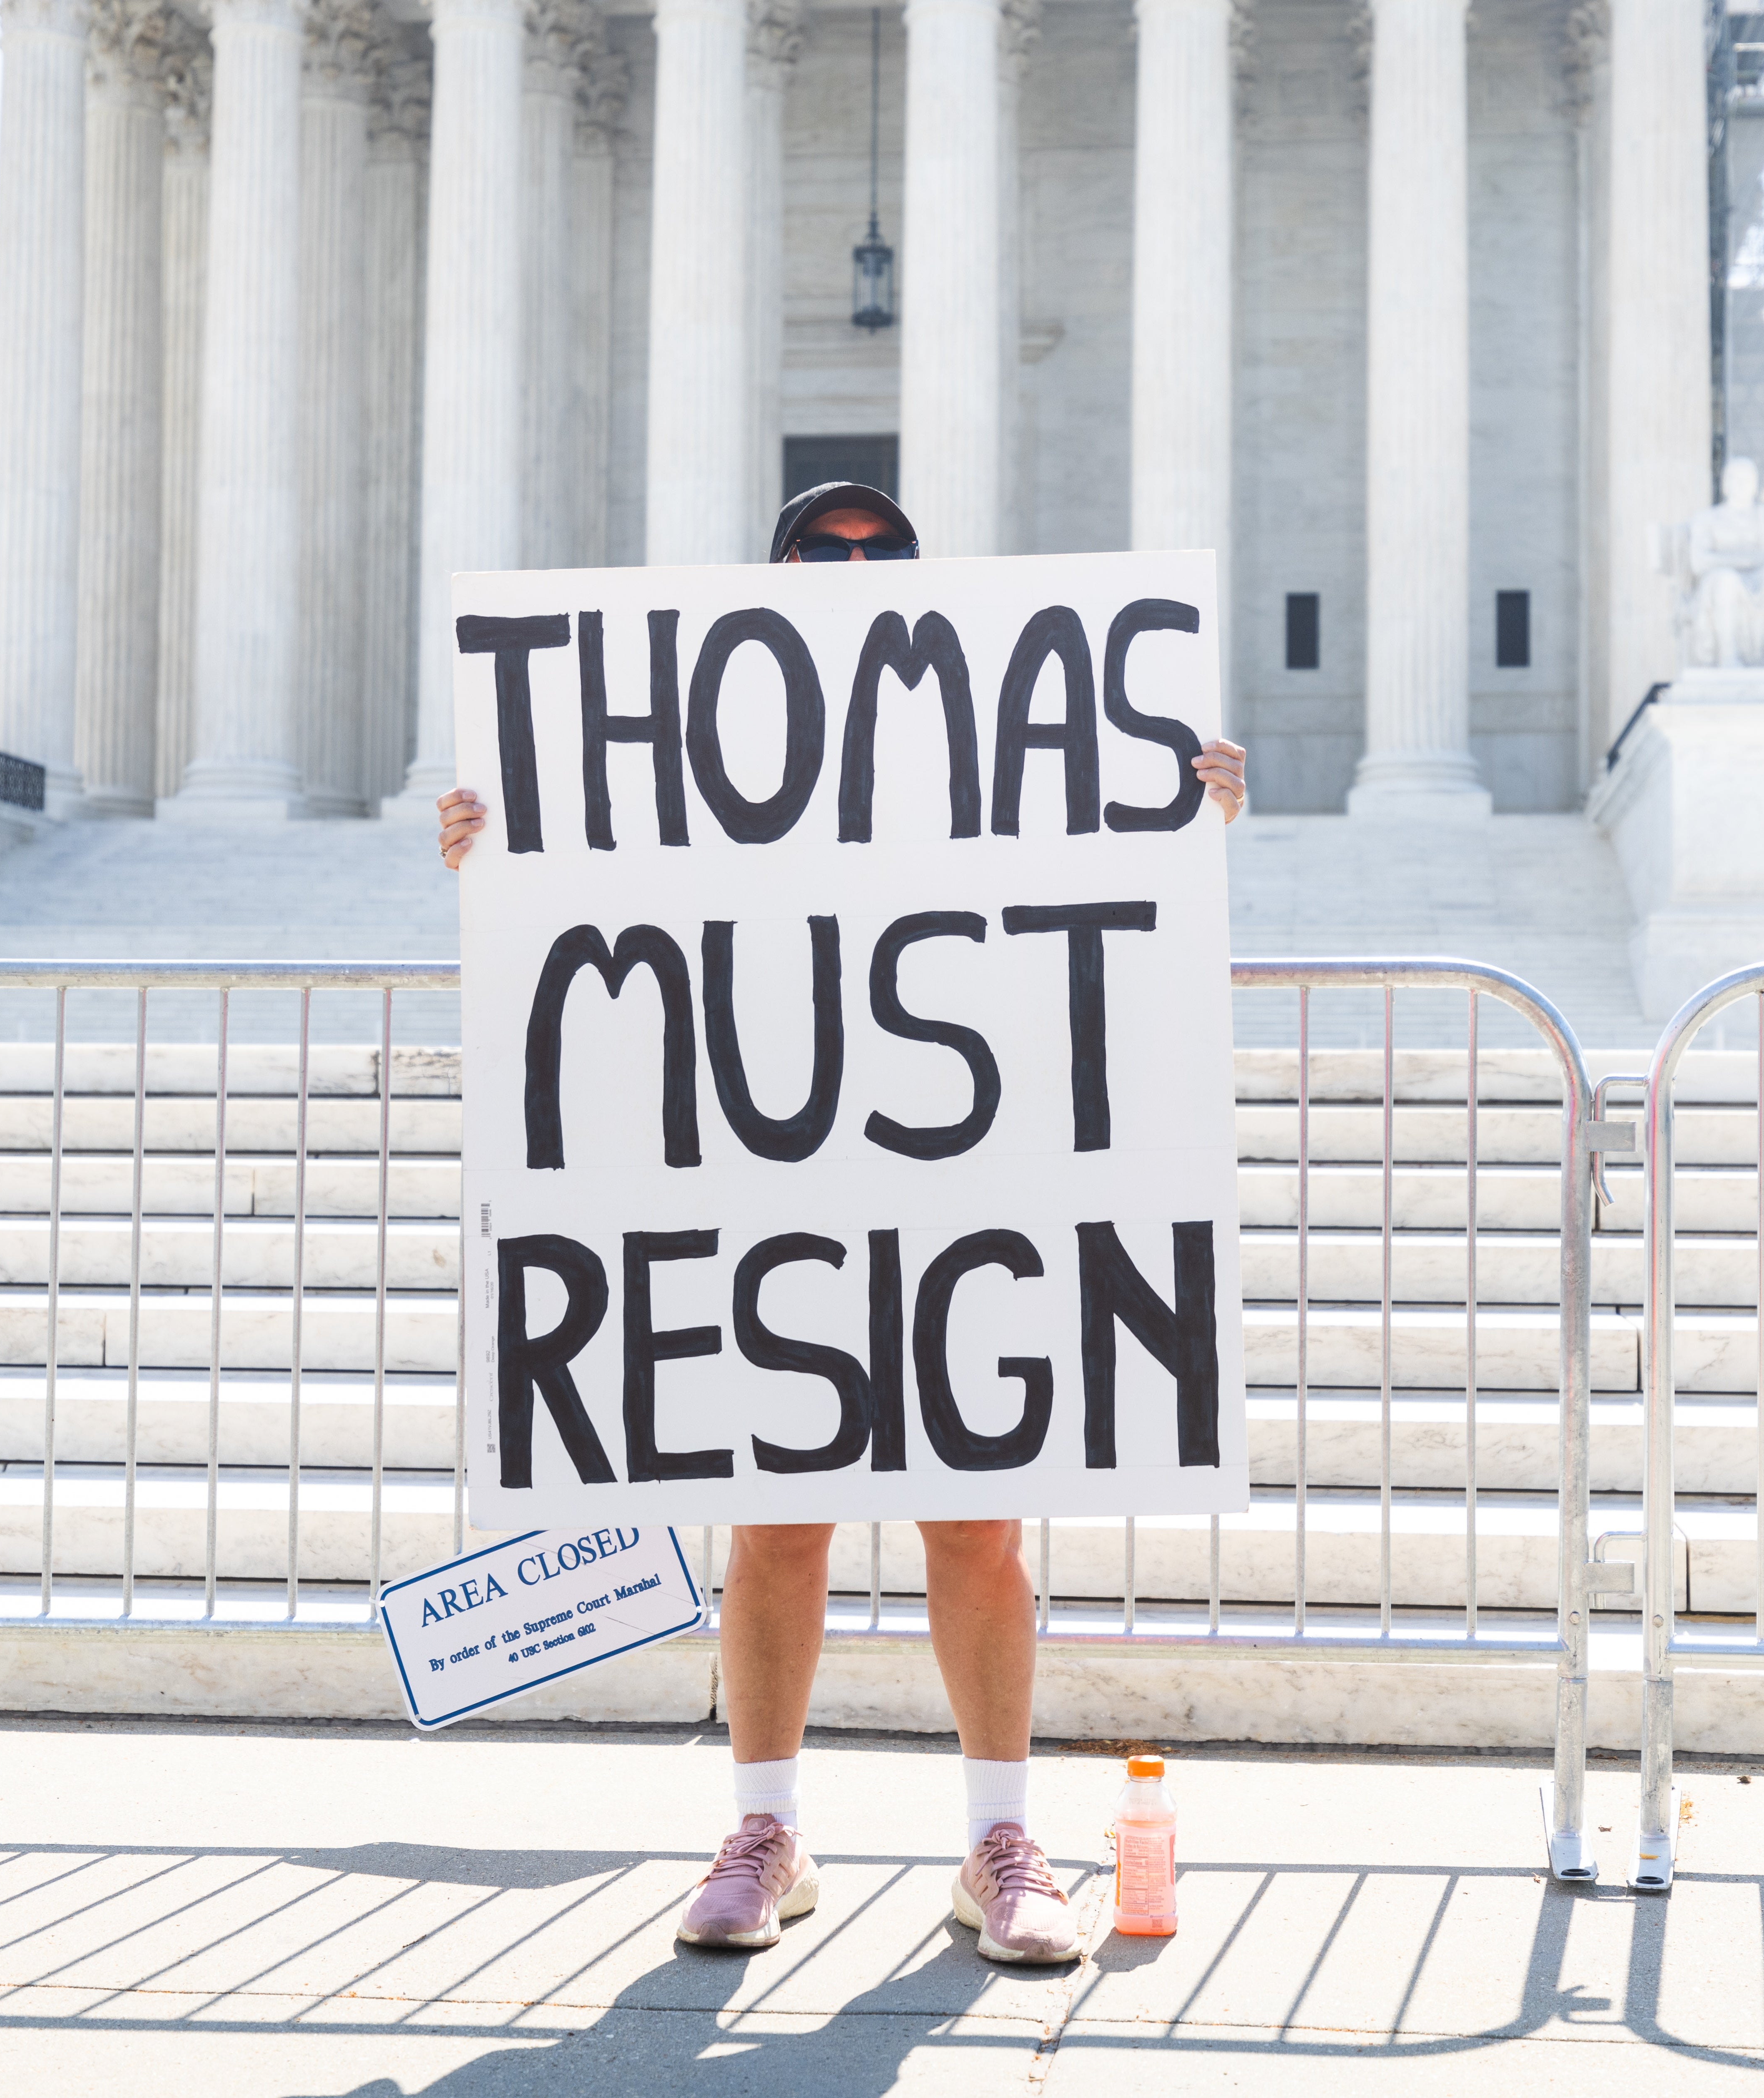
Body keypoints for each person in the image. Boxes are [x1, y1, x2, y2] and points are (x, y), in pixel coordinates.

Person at [432, 482, 1247, 1964]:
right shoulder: (705, 740)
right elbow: (626, 920)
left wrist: (1180, 817)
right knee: (778, 1519)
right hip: (774, 1159)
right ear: (780, 572)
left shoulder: (974, 729)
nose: (854, 571)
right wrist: (507, 850)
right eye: (825, 552)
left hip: (956, 1154)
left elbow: (1067, 892)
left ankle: (1002, 1840)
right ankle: (765, 1829)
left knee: (975, 1521)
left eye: (882, 555)